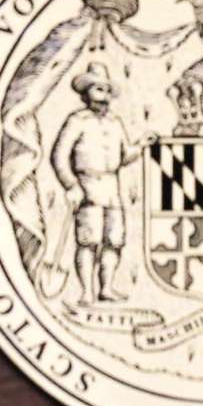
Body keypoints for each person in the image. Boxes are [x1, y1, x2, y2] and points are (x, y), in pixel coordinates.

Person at [46, 64, 130, 303]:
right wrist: (71, 184)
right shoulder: (76, 121)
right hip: (87, 187)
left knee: (114, 241)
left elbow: (124, 156)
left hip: (112, 189)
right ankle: (86, 292)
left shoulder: (115, 122)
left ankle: (107, 288)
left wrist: (142, 145)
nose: (103, 96)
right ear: (86, 93)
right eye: (98, 89)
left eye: (106, 90)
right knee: (89, 241)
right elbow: (59, 156)